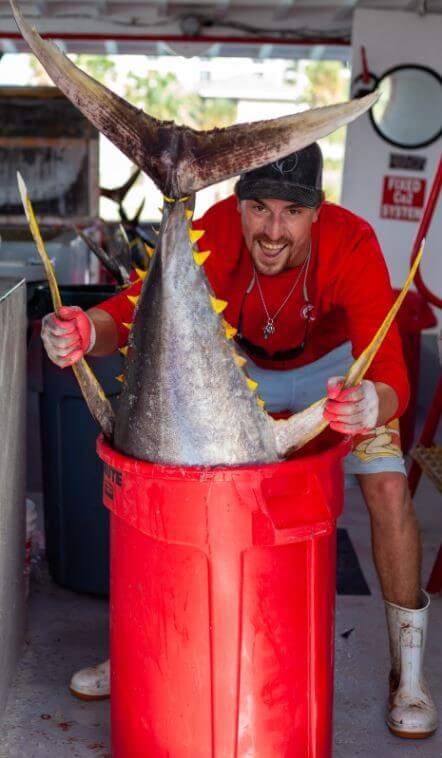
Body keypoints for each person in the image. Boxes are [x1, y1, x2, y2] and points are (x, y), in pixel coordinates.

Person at [42, 143, 437, 739]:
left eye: (292, 213)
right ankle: (137, 653)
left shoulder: (353, 244)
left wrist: (368, 402)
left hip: (332, 370)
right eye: (259, 209)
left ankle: (407, 678)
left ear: (317, 211)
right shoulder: (216, 230)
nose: (273, 230)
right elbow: (128, 314)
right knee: (160, 481)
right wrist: (81, 329)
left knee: (385, 486)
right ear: (238, 204)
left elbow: (390, 372)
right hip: (237, 365)